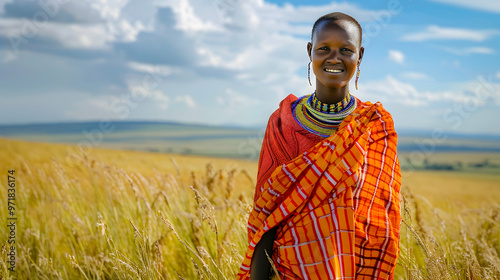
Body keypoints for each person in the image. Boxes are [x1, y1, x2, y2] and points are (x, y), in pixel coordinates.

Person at [237, 12, 401, 280]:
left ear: (360, 56)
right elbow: (266, 214)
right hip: (292, 268)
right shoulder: (284, 123)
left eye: (345, 50)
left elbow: (382, 220)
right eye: (324, 48)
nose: (334, 58)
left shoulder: (374, 125)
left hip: (355, 270)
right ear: (310, 51)